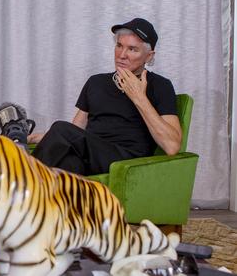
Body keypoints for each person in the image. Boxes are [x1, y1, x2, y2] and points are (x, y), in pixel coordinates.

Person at [28, 18, 182, 176]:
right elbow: (75, 132)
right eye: (119, 46)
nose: (122, 55)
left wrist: (139, 97)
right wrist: (43, 137)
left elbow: (172, 146)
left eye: (132, 49)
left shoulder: (160, 86)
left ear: (149, 56)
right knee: (68, 164)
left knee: (60, 128)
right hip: (91, 155)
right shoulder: (96, 82)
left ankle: (19, 186)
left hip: (126, 161)